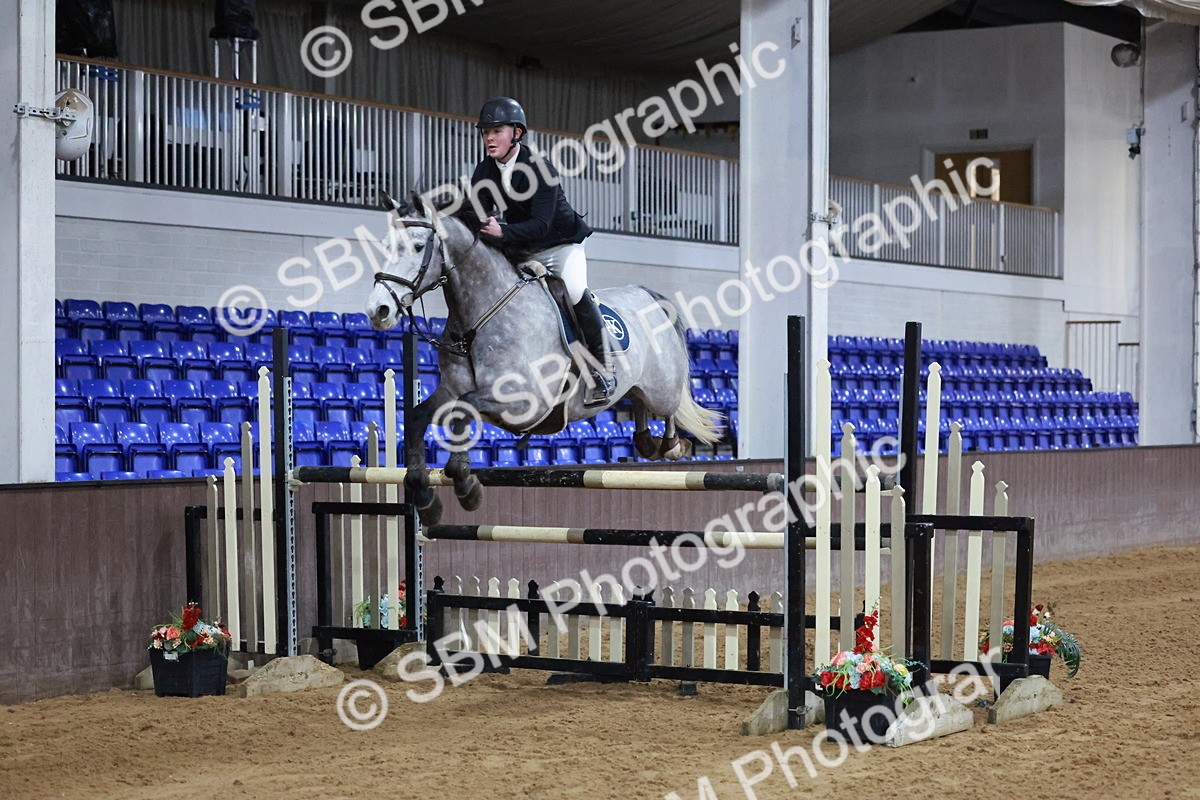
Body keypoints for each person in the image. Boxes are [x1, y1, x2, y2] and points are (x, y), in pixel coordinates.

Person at [469, 96, 614, 405]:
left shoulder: (539, 168)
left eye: (496, 131)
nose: (489, 138)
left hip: (561, 243)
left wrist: (502, 231)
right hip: (523, 247)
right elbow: (477, 216)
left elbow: (541, 225)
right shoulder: (483, 173)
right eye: (485, 132)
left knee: (574, 291)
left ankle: (604, 368)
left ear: (516, 134)